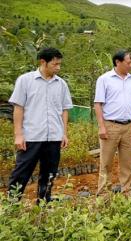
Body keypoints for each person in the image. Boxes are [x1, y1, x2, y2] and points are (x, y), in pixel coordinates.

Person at [8, 47, 73, 203]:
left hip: (54, 137)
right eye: (55, 64)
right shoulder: (25, 80)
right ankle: (12, 204)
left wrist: (64, 133)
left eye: (60, 64)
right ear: (43, 62)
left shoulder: (61, 84)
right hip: (32, 136)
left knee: (49, 173)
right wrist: (18, 134)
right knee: (22, 171)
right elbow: (18, 108)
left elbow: (64, 110)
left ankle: (44, 201)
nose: (58, 68)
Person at [94, 49, 131, 195]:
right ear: (118, 62)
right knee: (106, 162)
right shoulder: (104, 79)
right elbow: (98, 104)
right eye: (128, 62)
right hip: (111, 126)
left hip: (129, 126)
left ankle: (126, 190)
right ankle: (103, 194)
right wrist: (101, 126)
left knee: (127, 161)